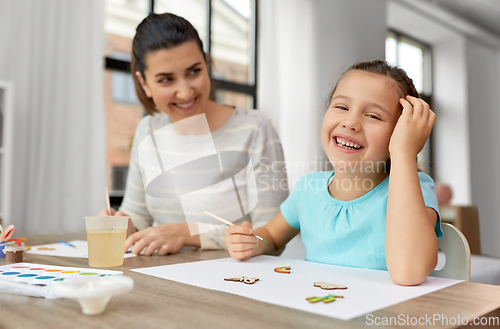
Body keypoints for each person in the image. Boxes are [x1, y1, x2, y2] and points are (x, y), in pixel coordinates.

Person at [224, 60, 443, 286]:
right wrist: (252, 242)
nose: (350, 122)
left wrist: (403, 152)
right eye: (341, 107)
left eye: (373, 116)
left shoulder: (415, 188)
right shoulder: (308, 188)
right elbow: (272, 237)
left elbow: (409, 272)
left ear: (401, 133)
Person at [99, 12, 287, 256]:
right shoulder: (148, 131)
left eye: (194, 72)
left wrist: (190, 234)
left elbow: (272, 236)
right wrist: (123, 225)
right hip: (164, 278)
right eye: (166, 79)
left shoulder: (254, 130)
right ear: (144, 83)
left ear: (206, 64)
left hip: (234, 282)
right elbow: (140, 220)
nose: (185, 92)